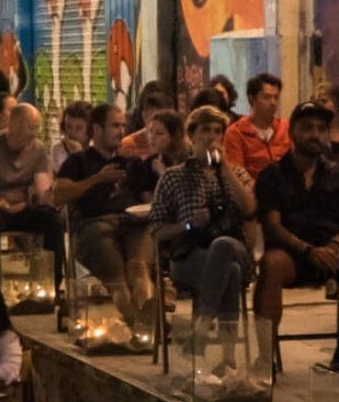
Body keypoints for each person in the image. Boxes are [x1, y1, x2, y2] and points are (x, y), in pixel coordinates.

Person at [253, 102, 339, 333]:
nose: (315, 135)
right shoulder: (272, 175)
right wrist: (308, 250)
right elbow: (273, 226)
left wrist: (334, 244)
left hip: (335, 253)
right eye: (308, 128)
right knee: (271, 264)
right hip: (293, 253)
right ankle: (265, 355)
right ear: (293, 132)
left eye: (321, 129)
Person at [149, 106, 256, 326]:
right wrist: (187, 225)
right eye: (206, 130)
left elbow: (249, 209)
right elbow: (157, 231)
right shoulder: (174, 177)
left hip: (234, 246)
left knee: (224, 245)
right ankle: (227, 357)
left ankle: (202, 323)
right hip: (190, 254)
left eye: (218, 131)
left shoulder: (236, 174)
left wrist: (224, 166)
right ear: (192, 135)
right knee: (231, 272)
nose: (212, 137)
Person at [54, 102, 158, 330]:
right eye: (115, 126)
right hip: (94, 225)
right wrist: (96, 180)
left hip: (132, 223)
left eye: (123, 125)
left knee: (139, 269)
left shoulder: (132, 163)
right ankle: (140, 327)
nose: (121, 131)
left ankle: (145, 327)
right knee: (117, 280)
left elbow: (147, 199)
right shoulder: (78, 162)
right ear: (97, 129)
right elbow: (58, 195)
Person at [0, 102, 62, 267]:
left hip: (23, 206)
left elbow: (42, 190)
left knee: (52, 219)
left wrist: (47, 197)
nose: (34, 133)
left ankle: (52, 278)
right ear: (13, 125)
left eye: (36, 128)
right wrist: (2, 205)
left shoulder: (38, 149)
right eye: (30, 127)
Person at [223, 73, 292, 175]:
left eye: (276, 97)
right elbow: (237, 174)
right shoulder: (236, 133)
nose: (273, 102)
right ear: (252, 99)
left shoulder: (287, 128)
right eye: (267, 97)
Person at [118, 84, 178, 159]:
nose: (161, 124)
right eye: (155, 118)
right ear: (144, 117)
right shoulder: (128, 145)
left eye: (167, 119)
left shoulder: (182, 144)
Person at [141, 109, 186, 180]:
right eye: (150, 131)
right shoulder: (150, 163)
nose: (152, 137)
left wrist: (164, 174)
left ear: (174, 137)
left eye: (159, 133)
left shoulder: (188, 163)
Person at [49, 101, 92, 174]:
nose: (72, 133)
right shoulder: (58, 149)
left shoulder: (97, 149)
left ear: (89, 131)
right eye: (68, 126)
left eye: (78, 128)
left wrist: (79, 154)